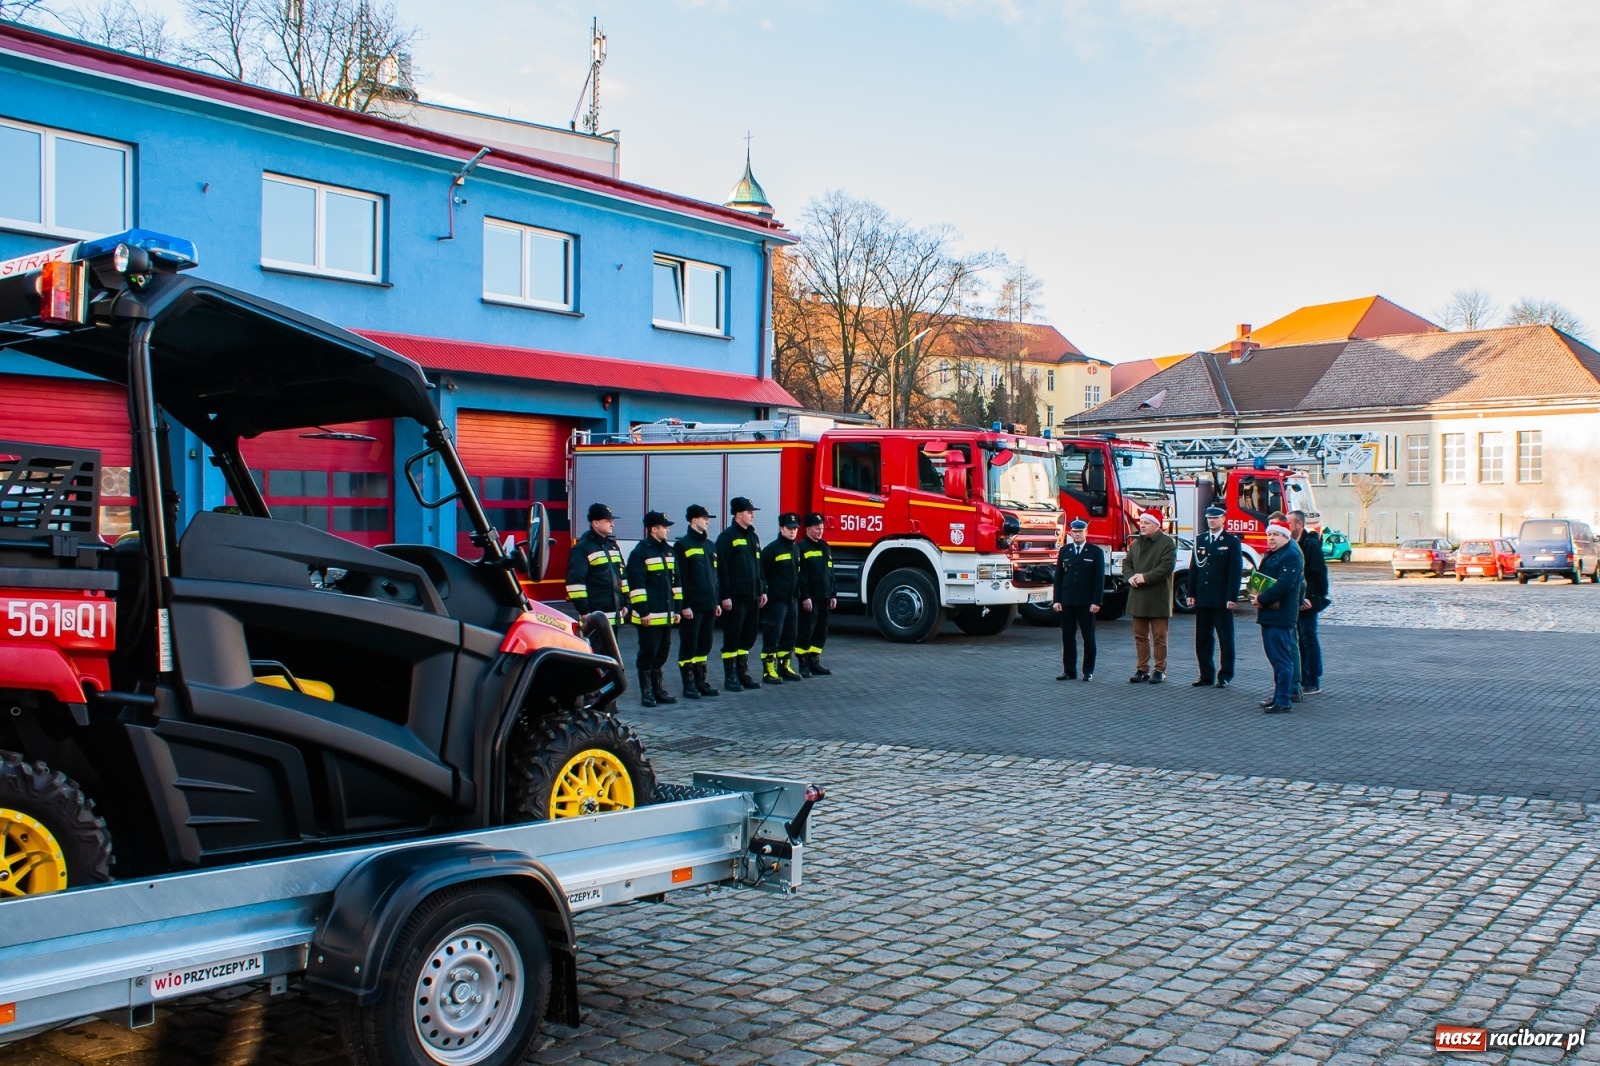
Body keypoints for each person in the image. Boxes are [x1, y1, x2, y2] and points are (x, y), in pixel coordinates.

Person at [625, 511, 681, 708]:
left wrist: (677, 609)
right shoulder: (641, 552)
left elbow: (676, 583)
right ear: (653, 529)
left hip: (666, 615)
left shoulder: (668, 551)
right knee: (648, 653)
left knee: (663, 653)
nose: (667, 530)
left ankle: (658, 690)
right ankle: (646, 692)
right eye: (664, 526)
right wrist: (643, 611)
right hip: (649, 616)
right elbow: (636, 585)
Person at [1187, 505, 1243, 688]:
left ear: (1223, 519)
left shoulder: (1231, 542)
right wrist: (1191, 593)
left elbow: (1235, 572)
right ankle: (1206, 675)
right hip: (1203, 597)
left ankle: (1225, 675)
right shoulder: (1200, 540)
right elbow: (1194, 568)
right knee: (1202, 639)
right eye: (1209, 518)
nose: (1212, 521)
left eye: (1215, 518)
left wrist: (1232, 597)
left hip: (1221, 598)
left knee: (1225, 639)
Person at [1253, 522, 1304, 714]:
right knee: (1275, 658)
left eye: (1276, 534)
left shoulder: (1291, 555)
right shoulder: (1274, 554)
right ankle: (1278, 696)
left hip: (1280, 614)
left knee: (1282, 659)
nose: (1271, 538)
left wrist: (1261, 598)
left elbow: (1285, 585)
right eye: (1269, 534)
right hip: (1269, 613)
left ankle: (1284, 699)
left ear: (1286, 536)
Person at [716, 496, 766, 692]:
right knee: (732, 637)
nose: (752, 515)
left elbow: (758, 567)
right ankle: (730, 677)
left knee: (748, 637)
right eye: (749, 512)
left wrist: (763, 589)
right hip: (735, 598)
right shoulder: (727, 538)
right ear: (738, 515)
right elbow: (722, 569)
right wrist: (725, 595)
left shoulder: (753, 537)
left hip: (753, 596)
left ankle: (742, 674)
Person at [674, 503, 721, 700]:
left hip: (709, 605)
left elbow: (714, 576)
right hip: (692, 608)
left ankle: (701, 681)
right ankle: (689, 685)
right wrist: (684, 605)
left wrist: (716, 601)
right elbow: (680, 577)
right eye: (705, 518)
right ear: (694, 520)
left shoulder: (710, 545)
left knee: (704, 645)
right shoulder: (682, 545)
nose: (708, 521)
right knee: (689, 646)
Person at [1123, 509, 1175, 683]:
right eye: (1141, 522)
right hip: (1138, 595)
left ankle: (1160, 670)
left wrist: (1144, 577)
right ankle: (1142, 669)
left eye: (1146, 523)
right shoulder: (1136, 543)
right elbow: (1127, 563)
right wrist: (1130, 577)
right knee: (1140, 635)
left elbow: (1166, 567)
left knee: (1160, 636)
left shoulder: (1167, 543)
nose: (1142, 525)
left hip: (1158, 596)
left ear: (1156, 525)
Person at [1051, 518, 1104, 681]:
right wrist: (1056, 600)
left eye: (1080, 532)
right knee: (1067, 637)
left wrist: (1096, 601)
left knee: (1088, 638)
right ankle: (1069, 671)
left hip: (1086, 602)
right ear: (1070, 533)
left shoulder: (1095, 552)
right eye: (1075, 532)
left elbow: (1099, 579)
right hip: (1067, 601)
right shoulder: (1065, 551)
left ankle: (1088, 671)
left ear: (1086, 532)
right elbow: (1058, 578)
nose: (1077, 534)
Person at [566, 502, 628, 625]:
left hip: (615, 616)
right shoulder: (582, 548)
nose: (612, 524)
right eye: (608, 521)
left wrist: (625, 603)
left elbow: (622, 577)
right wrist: (584, 612)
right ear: (596, 523)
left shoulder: (612, 546)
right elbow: (575, 583)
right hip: (594, 618)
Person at [760, 512, 804, 684]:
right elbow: (763, 575)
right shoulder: (771, 550)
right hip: (776, 601)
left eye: (795, 529)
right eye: (789, 528)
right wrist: (767, 593)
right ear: (781, 528)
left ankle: (785, 666)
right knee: (773, 634)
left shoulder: (795, 548)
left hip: (792, 600)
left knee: (790, 635)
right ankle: (768, 670)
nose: (793, 532)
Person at [1289, 509, 1328, 695]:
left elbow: (1319, 574)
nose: (1286, 527)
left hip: (1308, 601)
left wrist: (1314, 598)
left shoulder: (1310, 544)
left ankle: (1312, 679)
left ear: (1299, 524)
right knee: (1297, 640)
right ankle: (1300, 677)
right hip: (1293, 600)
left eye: (1289, 523)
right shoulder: (1289, 544)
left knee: (1308, 638)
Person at [795, 512, 836, 677]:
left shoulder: (825, 546)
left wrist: (833, 594)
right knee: (806, 631)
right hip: (810, 599)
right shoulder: (801, 548)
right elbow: (801, 576)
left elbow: (830, 572)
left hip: (824, 597)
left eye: (822, 528)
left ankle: (814, 661)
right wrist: (805, 596)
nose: (820, 531)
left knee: (821, 631)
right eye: (817, 528)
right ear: (808, 529)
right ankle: (803, 664)